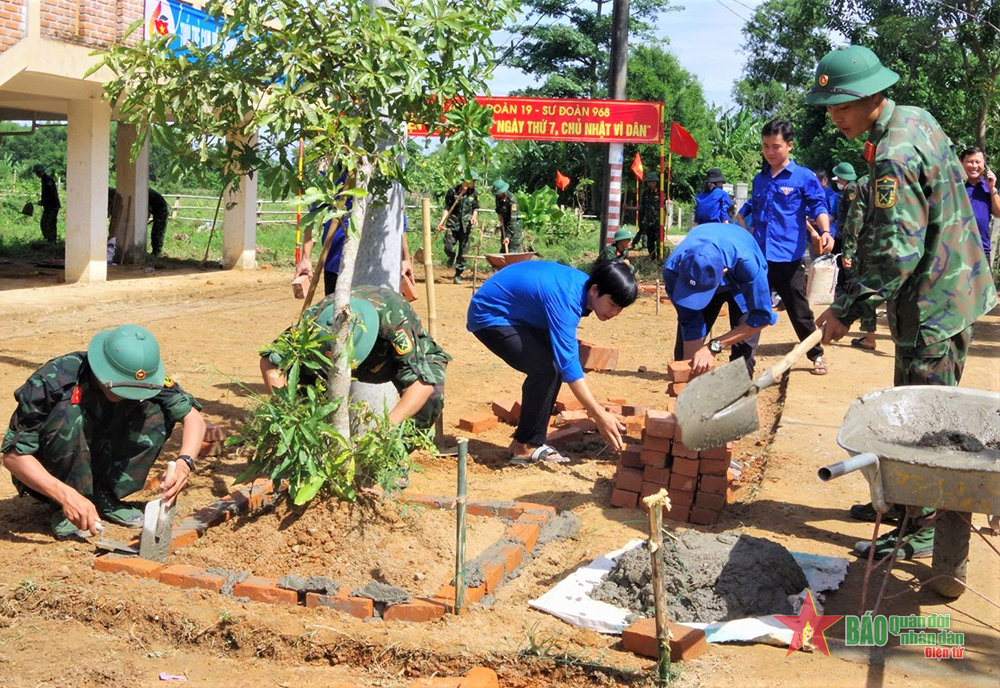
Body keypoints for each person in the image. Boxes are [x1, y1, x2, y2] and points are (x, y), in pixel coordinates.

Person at [807, 45, 997, 560]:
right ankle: (904, 506)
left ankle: (923, 528)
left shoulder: (894, 153)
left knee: (926, 424)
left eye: (842, 104)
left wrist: (847, 309)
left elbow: (897, 251)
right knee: (911, 410)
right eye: (830, 106)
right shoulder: (916, 118)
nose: (834, 116)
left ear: (871, 96)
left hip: (934, 305)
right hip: (947, 291)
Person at [1, 325, 206, 539]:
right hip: (54, 472)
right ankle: (68, 506)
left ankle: (105, 496)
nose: (130, 395)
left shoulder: (146, 377)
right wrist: (65, 495)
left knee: (157, 411)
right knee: (68, 412)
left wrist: (184, 463)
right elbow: (14, 456)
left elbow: (193, 418)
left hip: (104, 450)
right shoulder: (55, 379)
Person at [467, 260, 637, 464]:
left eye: (620, 309)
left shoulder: (582, 287)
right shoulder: (567, 298)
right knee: (547, 369)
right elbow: (569, 365)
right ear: (595, 290)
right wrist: (599, 414)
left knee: (551, 365)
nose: (614, 313)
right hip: (491, 315)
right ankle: (525, 447)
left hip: (520, 313)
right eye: (612, 304)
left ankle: (525, 441)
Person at [260, 286, 450, 429]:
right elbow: (271, 359)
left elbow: (422, 382)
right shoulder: (314, 321)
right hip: (327, 367)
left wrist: (385, 431)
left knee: (430, 398)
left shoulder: (392, 319)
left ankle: (390, 461)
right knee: (299, 386)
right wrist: (287, 410)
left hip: (392, 362)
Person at [735, 119, 832, 376]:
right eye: (765, 146)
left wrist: (825, 231)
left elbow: (818, 207)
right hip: (760, 258)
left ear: (790, 145)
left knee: (799, 312)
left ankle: (816, 354)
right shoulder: (760, 179)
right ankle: (743, 368)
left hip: (789, 259)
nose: (770, 152)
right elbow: (753, 211)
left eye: (776, 146)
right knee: (752, 310)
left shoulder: (803, 178)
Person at [664, 223, 776, 376]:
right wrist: (689, 371)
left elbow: (761, 317)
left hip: (740, 281)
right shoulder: (672, 270)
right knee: (684, 356)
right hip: (712, 272)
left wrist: (714, 346)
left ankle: (738, 395)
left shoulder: (748, 265)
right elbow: (690, 320)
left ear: (723, 272)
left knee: (742, 357)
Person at [836, 174, 879, 351]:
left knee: (866, 290)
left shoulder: (866, 182)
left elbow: (855, 220)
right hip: (903, 248)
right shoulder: (907, 177)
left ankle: (870, 338)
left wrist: (847, 250)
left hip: (869, 247)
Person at [959, 147, 1000, 267]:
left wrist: (992, 189)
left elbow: (998, 213)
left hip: (982, 248)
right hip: (958, 248)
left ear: (984, 165)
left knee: (984, 286)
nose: (974, 166)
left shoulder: (987, 187)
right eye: (970, 162)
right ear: (962, 163)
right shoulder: (955, 186)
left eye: (978, 162)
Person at [437, 174, 480, 283]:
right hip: (453, 223)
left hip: (466, 226)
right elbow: (447, 208)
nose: (474, 183)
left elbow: (476, 207)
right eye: (473, 181)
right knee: (448, 245)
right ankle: (451, 256)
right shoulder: (453, 191)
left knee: (463, 251)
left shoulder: (473, 193)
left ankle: (458, 275)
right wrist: (442, 222)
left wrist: (474, 217)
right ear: (467, 181)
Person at [491, 179, 523, 253]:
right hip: (505, 223)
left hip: (514, 226)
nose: (498, 195)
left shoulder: (512, 200)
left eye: (499, 193)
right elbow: (498, 207)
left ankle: (514, 263)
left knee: (512, 247)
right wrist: (499, 214)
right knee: (504, 246)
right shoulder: (498, 197)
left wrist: (508, 236)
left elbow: (513, 221)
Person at [34, 164, 60, 243]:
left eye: (37, 173)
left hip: (52, 206)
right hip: (51, 205)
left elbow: (51, 194)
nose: (36, 174)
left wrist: (43, 201)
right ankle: (52, 242)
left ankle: (50, 240)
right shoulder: (45, 179)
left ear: (40, 172)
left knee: (45, 223)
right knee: (52, 224)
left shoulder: (48, 180)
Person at [148, 187, 170, 256]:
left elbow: (147, 211)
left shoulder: (145, 193)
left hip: (162, 210)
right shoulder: (145, 191)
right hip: (156, 209)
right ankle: (155, 251)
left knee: (157, 231)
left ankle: (157, 252)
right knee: (155, 232)